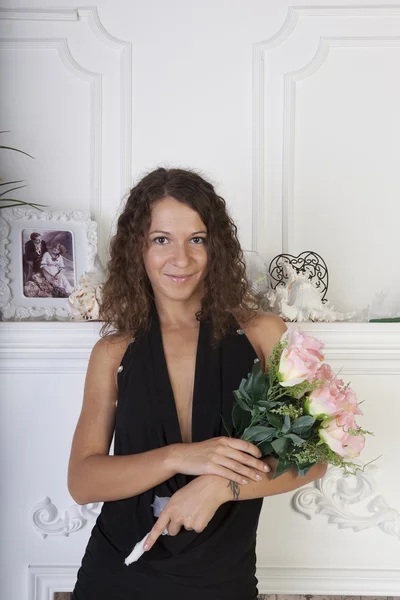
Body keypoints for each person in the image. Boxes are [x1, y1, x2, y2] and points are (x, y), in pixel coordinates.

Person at [68, 168, 327, 600]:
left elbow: (315, 458)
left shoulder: (263, 335)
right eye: (161, 239)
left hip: (221, 579)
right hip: (118, 573)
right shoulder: (113, 352)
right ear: (139, 248)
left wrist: (221, 485)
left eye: (197, 239)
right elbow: (83, 481)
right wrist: (180, 457)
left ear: (216, 247)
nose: (181, 259)